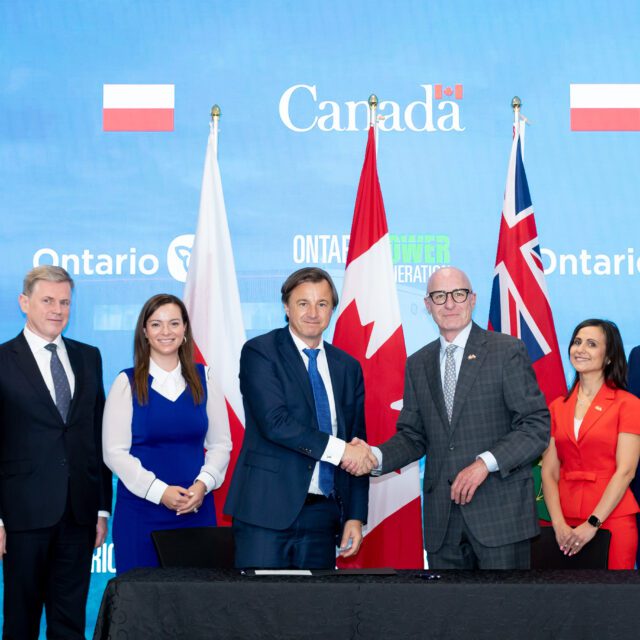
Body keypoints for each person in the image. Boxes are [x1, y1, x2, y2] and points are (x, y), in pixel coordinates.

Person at [349, 266, 550, 569]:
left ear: (473, 299)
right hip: (443, 524)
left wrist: (485, 462)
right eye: (440, 296)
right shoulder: (418, 363)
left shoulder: (506, 350)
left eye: (458, 294)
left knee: (504, 615)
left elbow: (536, 425)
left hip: (500, 517)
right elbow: (413, 436)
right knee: (447, 615)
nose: (450, 304)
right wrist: (374, 457)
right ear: (428, 305)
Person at [224, 267, 370, 568]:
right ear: (286, 307)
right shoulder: (260, 352)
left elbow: (357, 439)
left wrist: (355, 515)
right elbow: (275, 423)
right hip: (266, 511)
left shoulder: (347, 368)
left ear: (332, 309)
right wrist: (342, 451)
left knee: (314, 612)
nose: (313, 313)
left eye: (322, 304)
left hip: (324, 515)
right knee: (260, 609)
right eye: (303, 303)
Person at [0, 265, 112, 639]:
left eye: (64, 301)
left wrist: (99, 508)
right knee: (21, 621)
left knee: (69, 622)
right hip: (22, 516)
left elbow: (96, 436)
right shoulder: (2, 360)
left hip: (78, 514)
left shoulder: (88, 357)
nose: (57, 309)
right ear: (24, 303)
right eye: (47, 300)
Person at [103, 293, 231, 574]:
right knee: (141, 607)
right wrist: (159, 492)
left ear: (185, 329)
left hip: (196, 510)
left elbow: (221, 444)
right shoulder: (126, 383)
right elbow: (114, 453)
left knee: (195, 605)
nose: (166, 332)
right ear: (145, 332)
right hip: (140, 515)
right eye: (156, 324)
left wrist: (202, 486)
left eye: (174, 323)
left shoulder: (205, 378)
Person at [541, 319, 640, 569]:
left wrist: (593, 523)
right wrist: (558, 524)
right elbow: (549, 471)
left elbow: (626, 470)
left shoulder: (628, 404)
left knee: (612, 603)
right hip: (560, 522)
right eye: (577, 342)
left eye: (592, 344)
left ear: (608, 357)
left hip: (611, 518)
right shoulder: (556, 407)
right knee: (561, 604)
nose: (580, 349)